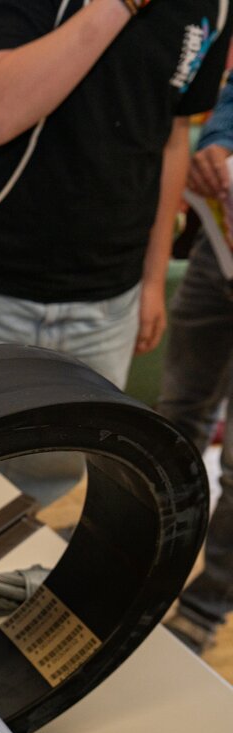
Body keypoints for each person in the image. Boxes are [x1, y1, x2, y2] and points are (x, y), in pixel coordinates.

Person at [0, 0, 229, 503]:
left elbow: (172, 136)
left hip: (105, 310)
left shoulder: (215, 6)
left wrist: (154, 279)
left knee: (36, 501)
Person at [158, 81, 233, 655]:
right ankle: (138, 555)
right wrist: (219, 143)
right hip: (219, 247)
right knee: (175, 418)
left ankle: (202, 611)